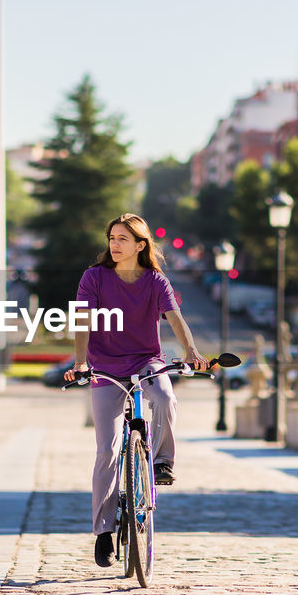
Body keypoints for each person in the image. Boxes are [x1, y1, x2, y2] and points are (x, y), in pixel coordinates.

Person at [65, 213, 209, 567]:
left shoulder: (156, 281)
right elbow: (83, 320)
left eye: (122, 239)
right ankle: (103, 533)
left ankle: (162, 460)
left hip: (146, 360)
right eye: (111, 238)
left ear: (140, 245)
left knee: (163, 394)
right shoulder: (94, 278)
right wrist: (81, 361)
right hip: (105, 367)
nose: (114, 244)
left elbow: (175, 319)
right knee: (108, 451)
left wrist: (192, 353)